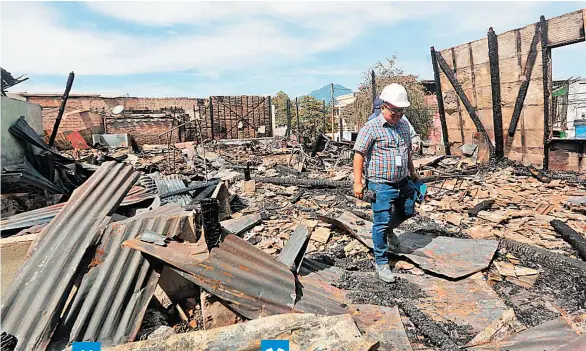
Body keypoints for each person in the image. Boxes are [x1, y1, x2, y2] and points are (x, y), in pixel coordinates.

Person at [353, 83, 419, 283]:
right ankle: (381, 262)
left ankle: (390, 230)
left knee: (408, 209)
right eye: (394, 111)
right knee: (379, 223)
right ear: (383, 106)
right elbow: (359, 154)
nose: (398, 115)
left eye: (401, 111)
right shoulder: (371, 127)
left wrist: (413, 172)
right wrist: (358, 182)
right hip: (380, 184)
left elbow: (406, 151)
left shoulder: (404, 126)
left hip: (402, 180)